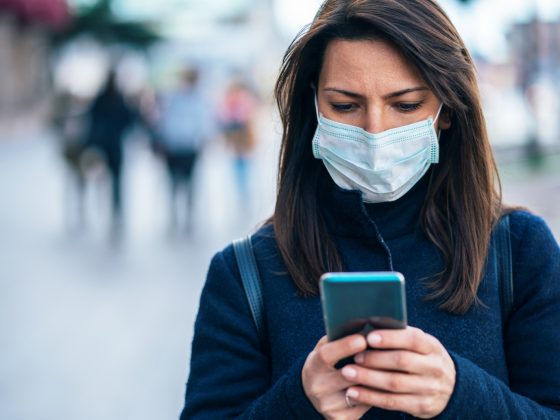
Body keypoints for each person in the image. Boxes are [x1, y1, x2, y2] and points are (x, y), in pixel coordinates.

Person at [180, 1, 560, 418]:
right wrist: (297, 404)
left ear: (447, 110)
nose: (375, 132)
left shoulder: (520, 250)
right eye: (345, 106)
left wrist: (461, 394)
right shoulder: (244, 274)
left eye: (406, 105)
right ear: (313, 106)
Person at [152, 67, 211, 233]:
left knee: (183, 184)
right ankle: (179, 216)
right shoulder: (178, 97)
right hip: (179, 146)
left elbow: (202, 124)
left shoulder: (191, 98)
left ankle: (183, 217)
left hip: (184, 146)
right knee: (180, 183)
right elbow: (166, 120)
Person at [85, 69, 136, 232]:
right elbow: (128, 121)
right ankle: (114, 211)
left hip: (106, 146)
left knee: (108, 181)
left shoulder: (104, 99)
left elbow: (92, 121)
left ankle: (112, 211)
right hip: (111, 146)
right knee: (113, 182)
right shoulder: (116, 99)